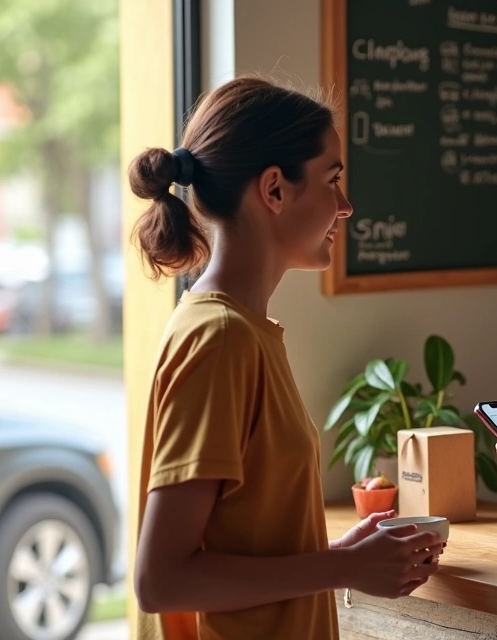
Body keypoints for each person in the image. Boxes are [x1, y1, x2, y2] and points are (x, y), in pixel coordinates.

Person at [128, 76, 443, 640]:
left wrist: (330, 553)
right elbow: (162, 579)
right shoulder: (220, 339)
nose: (345, 207)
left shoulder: (240, 330)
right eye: (333, 180)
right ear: (274, 190)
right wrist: (345, 568)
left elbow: (231, 541)